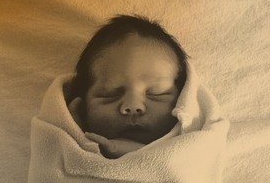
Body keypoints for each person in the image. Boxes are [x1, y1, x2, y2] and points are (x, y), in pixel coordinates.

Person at [68, 15, 189, 158]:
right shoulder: (61, 150)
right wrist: (74, 132)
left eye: (156, 93)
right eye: (110, 94)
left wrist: (144, 157)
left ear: (183, 98)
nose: (133, 106)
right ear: (82, 108)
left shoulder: (195, 153)